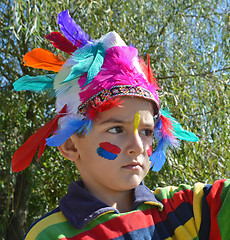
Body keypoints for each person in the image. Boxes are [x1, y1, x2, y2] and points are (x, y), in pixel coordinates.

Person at [12, 9, 230, 240]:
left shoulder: (188, 210)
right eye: (116, 129)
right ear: (71, 146)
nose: (137, 146)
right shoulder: (51, 234)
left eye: (147, 131)